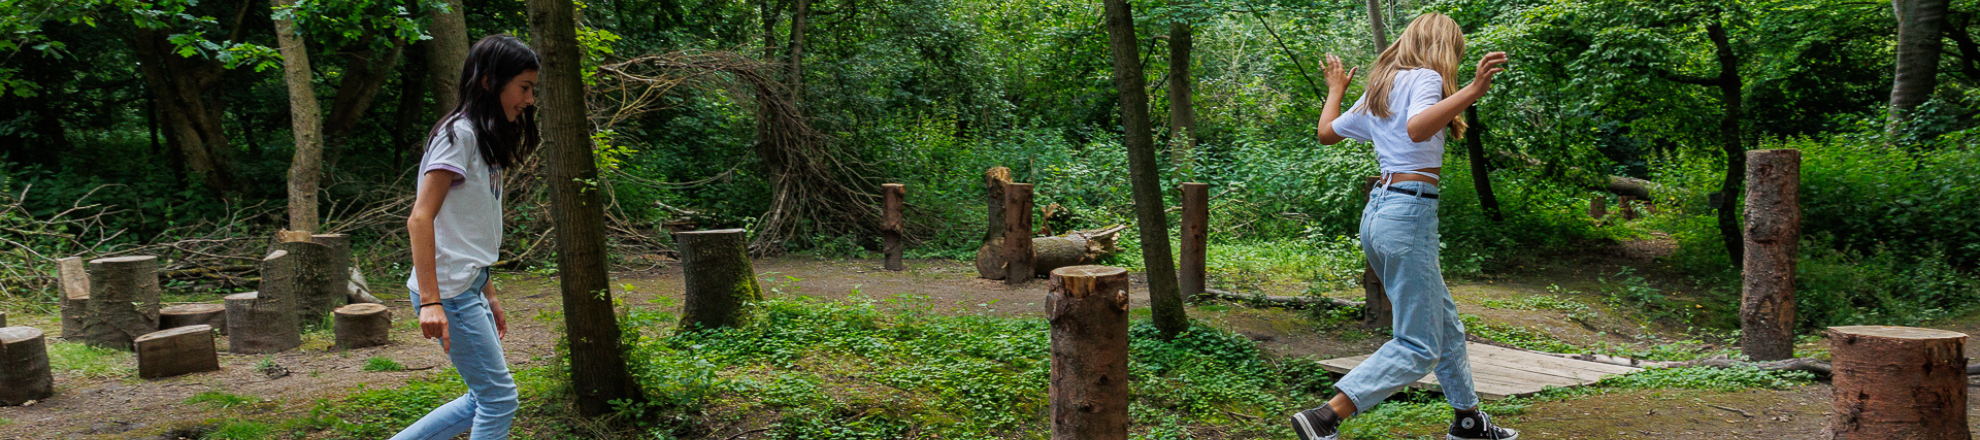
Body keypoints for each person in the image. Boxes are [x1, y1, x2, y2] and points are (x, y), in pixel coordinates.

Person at [1292, 13, 1515, 440]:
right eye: (1456, 52)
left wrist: (1336, 90)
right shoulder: (1427, 77)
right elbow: (1416, 129)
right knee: (1419, 345)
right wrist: (1473, 90)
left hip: (1379, 216)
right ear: (1443, 48)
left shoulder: (1382, 86)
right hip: (1409, 214)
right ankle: (1327, 416)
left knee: (1445, 325)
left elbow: (1326, 132)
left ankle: (1468, 421)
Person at [392, 34, 539, 440]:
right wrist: (431, 301)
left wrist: (488, 293)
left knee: (483, 399)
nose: (528, 100)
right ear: (490, 82)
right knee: (498, 400)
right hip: (449, 292)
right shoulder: (459, 135)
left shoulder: (484, 138)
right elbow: (420, 219)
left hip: (467, 285)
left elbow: (467, 231)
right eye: (523, 87)